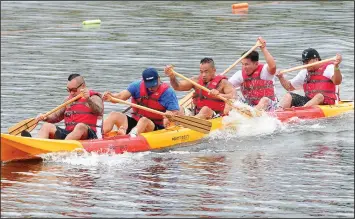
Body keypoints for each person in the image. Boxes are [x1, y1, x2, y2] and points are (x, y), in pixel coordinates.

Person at [21, 74, 104, 140]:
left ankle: (61, 148)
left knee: (80, 126)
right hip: (70, 135)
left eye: (74, 90)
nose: (71, 93)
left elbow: (99, 111)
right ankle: (37, 144)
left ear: (83, 86)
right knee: (46, 126)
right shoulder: (68, 100)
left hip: (90, 135)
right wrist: (45, 117)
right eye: (69, 90)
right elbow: (56, 117)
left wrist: (88, 99)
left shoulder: (94, 97)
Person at [103, 67, 180, 137]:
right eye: (149, 85)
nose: (151, 88)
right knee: (114, 115)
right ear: (144, 81)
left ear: (159, 79)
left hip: (154, 126)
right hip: (136, 122)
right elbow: (120, 96)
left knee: (144, 120)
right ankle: (97, 135)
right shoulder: (136, 86)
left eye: (154, 85)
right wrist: (111, 97)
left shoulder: (168, 92)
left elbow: (174, 112)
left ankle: (129, 137)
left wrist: (169, 115)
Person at [164, 57, 235, 120]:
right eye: (201, 72)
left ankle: (188, 122)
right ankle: (187, 122)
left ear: (214, 70)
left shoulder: (223, 83)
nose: (203, 75)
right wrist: (172, 77)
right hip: (196, 113)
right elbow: (177, 86)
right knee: (178, 109)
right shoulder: (196, 80)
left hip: (215, 115)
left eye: (206, 72)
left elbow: (233, 96)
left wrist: (219, 95)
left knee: (205, 109)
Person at [276, 48, 342, 108]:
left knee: (319, 96)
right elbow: (289, 87)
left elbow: (337, 81)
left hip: (328, 103)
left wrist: (336, 66)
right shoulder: (305, 72)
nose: (305, 64)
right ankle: (278, 114)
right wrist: (281, 77)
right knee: (288, 96)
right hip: (309, 103)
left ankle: (301, 112)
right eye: (304, 62)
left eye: (307, 61)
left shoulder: (329, 68)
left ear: (316, 60)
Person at [228, 36, 278, 111]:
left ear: (256, 64)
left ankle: (251, 114)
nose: (244, 67)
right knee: (232, 97)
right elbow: (226, 86)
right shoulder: (240, 75)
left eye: (247, 64)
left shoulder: (265, 71)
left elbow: (273, 66)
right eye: (242, 64)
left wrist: (263, 48)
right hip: (250, 106)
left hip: (269, 106)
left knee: (265, 100)